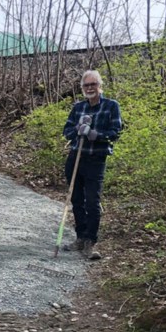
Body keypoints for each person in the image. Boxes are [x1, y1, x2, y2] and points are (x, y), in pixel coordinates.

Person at [62, 70, 124, 261]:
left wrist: (94, 134)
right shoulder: (78, 107)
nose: (89, 88)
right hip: (76, 158)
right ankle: (80, 237)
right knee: (77, 200)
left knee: (92, 201)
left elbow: (115, 132)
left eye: (93, 84)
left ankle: (90, 240)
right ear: (82, 88)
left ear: (99, 86)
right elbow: (66, 131)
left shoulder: (111, 106)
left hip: (96, 159)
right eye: (86, 85)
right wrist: (77, 130)